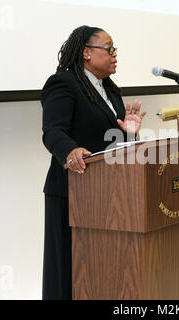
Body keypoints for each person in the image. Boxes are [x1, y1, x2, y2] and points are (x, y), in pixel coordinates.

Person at [40, 25, 146, 300]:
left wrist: (130, 134)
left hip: (108, 195)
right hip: (71, 190)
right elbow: (53, 131)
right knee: (68, 268)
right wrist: (70, 151)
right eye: (108, 48)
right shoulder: (63, 82)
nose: (114, 55)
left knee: (101, 266)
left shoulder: (110, 89)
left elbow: (112, 142)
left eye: (115, 50)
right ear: (86, 53)